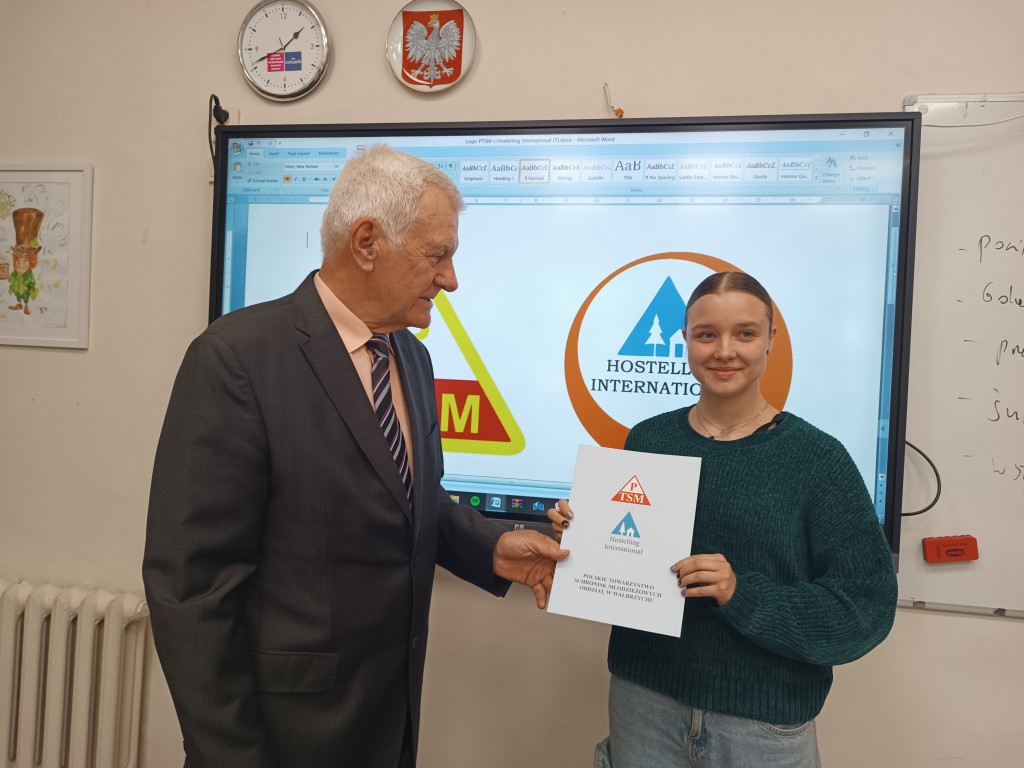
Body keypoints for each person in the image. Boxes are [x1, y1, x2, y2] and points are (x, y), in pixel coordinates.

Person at [143, 145, 568, 768]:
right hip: (282, 738)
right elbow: (193, 589)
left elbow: (409, 498)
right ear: (367, 242)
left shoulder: (412, 357)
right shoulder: (236, 359)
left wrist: (492, 547)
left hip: (388, 722)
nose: (451, 279)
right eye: (437, 255)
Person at [549, 271, 897, 768]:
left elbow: (865, 607)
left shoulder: (819, 459)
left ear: (771, 339)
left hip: (762, 724)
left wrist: (741, 594)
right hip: (643, 703)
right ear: (685, 340)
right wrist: (580, 537)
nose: (724, 351)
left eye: (745, 333)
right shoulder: (648, 439)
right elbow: (627, 567)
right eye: (706, 334)